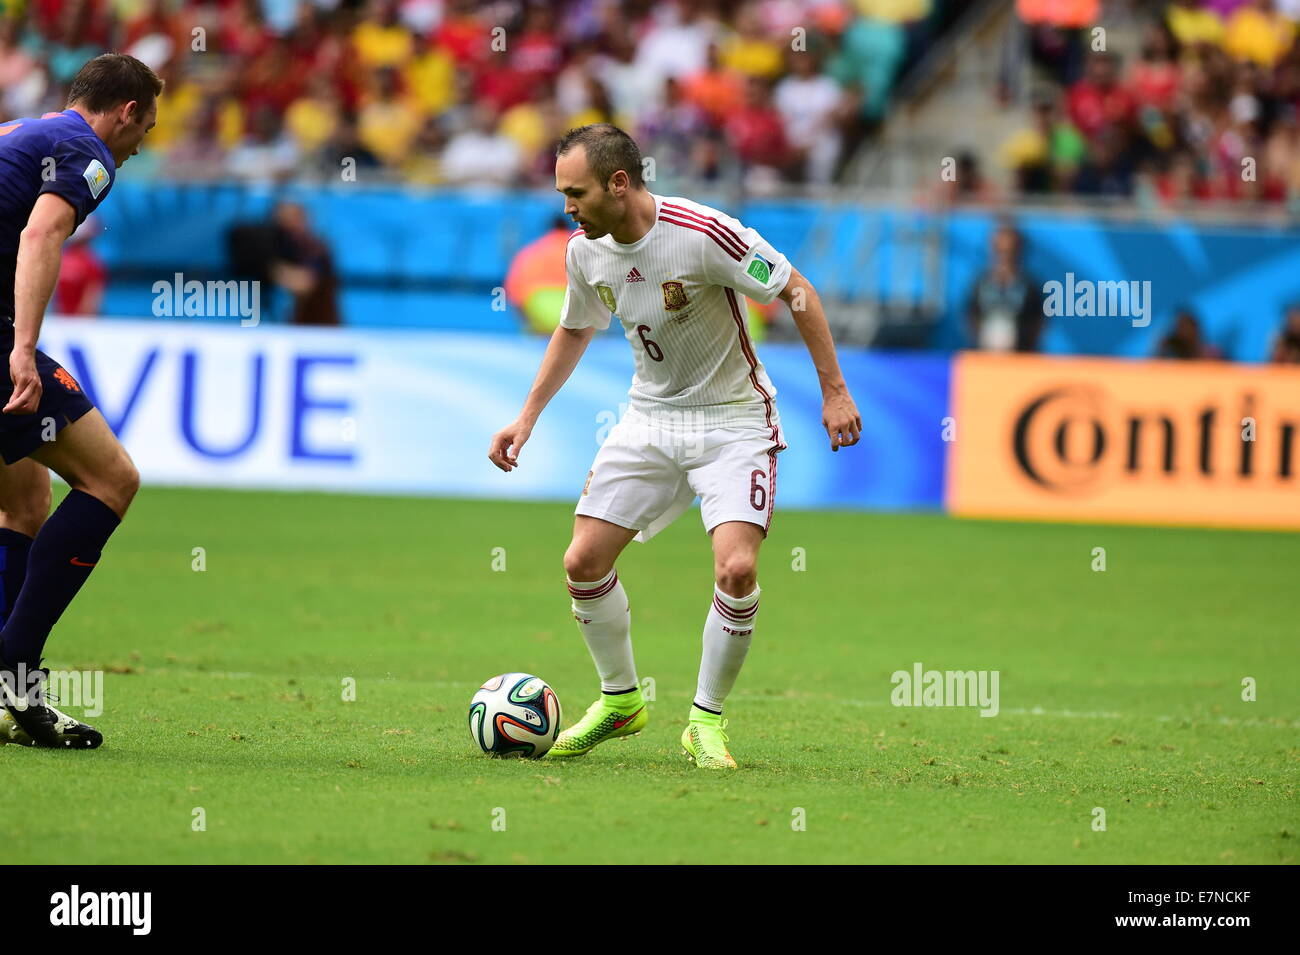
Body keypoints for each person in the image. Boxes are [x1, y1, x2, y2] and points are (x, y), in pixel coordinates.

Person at [487, 124, 861, 770]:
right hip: (651, 417)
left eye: (575, 193)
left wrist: (834, 391)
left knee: (736, 570)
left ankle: (705, 721)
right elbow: (575, 329)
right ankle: (621, 700)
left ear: (620, 183)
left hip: (734, 420)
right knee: (582, 561)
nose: (566, 207)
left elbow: (798, 290)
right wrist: (526, 417)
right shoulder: (584, 252)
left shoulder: (704, 233)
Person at [0, 53, 159, 748]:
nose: (142, 141)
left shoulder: (19, 131)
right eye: (145, 126)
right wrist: (22, 348)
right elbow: (41, 233)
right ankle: (15, 672)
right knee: (112, 478)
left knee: (25, 502)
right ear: (125, 111)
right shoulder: (88, 152)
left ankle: (7, 696)